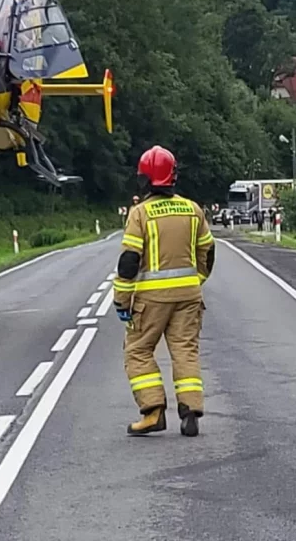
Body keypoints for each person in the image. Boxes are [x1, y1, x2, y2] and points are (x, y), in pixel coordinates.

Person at [113, 146, 216, 437]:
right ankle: (191, 410)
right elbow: (207, 251)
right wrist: (196, 280)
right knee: (185, 350)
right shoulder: (193, 209)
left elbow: (129, 261)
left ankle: (153, 412)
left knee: (138, 350)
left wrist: (121, 299)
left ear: (145, 180)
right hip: (189, 296)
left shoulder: (140, 213)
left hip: (151, 300)